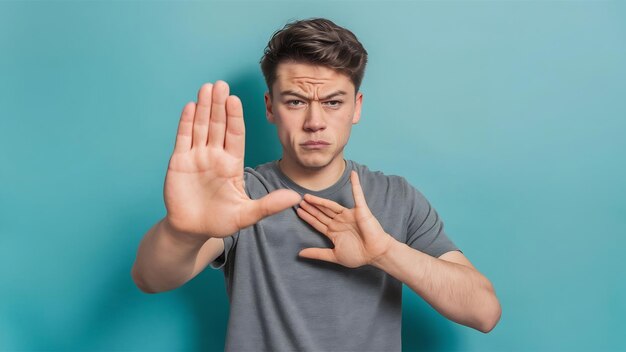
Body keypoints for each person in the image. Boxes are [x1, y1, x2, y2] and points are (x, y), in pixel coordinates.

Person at [131, 18, 501, 351]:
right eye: (295, 101)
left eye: (332, 102)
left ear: (356, 107)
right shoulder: (239, 195)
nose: (314, 122)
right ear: (271, 108)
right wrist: (182, 232)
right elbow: (151, 278)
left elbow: (483, 312)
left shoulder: (396, 197)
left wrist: (385, 252)